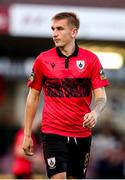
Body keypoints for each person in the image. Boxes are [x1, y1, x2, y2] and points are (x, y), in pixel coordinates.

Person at [22, 12, 109, 179]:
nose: (54, 33)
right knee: (58, 177)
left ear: (73, 32)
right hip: (52, 131)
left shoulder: (91, 60)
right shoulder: (43, 60)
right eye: (53, 29)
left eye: (60, 29)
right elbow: (32, 98)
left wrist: (95, 112)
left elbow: (101, 97)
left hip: (81, 133)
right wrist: (27, 134)